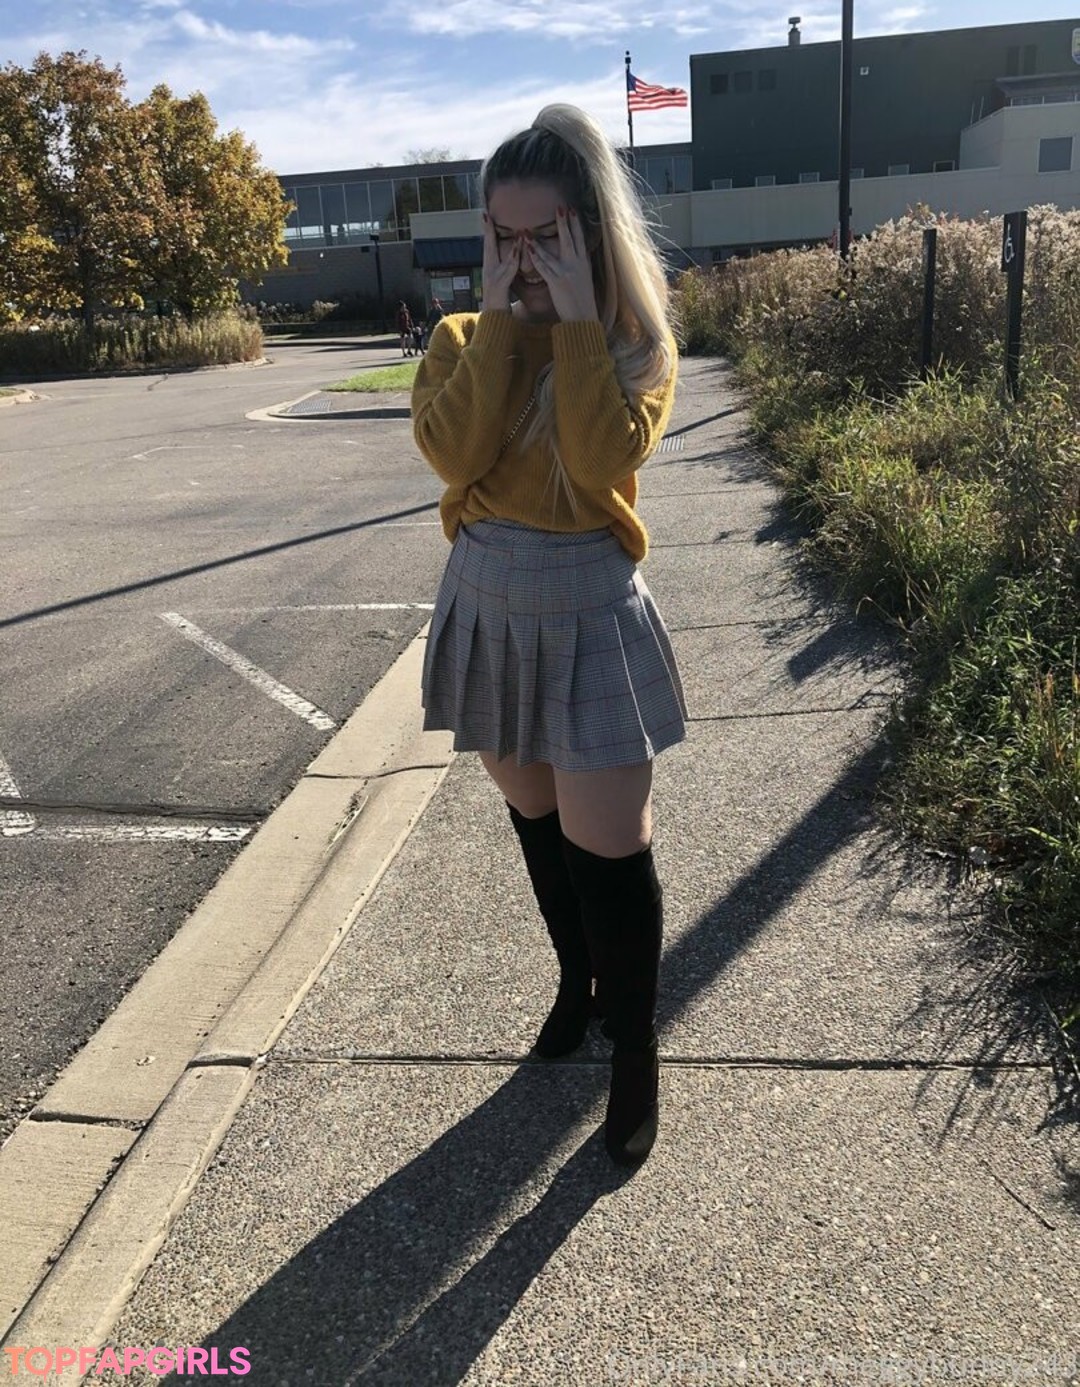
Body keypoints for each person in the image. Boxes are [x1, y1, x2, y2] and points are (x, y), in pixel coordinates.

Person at [411, 104, 686, 1167]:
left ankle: (635, 1047)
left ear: (589, 231)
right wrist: (500, 321)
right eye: (503, 235)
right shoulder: (462, 339)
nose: (521, 258)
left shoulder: (634, 346)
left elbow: (599, 460)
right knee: (536, 818)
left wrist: (572, 325)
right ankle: (578, 979)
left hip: (588, 608)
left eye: (546, 235)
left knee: (607, 844)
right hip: (487, 602)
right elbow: (454, 456)